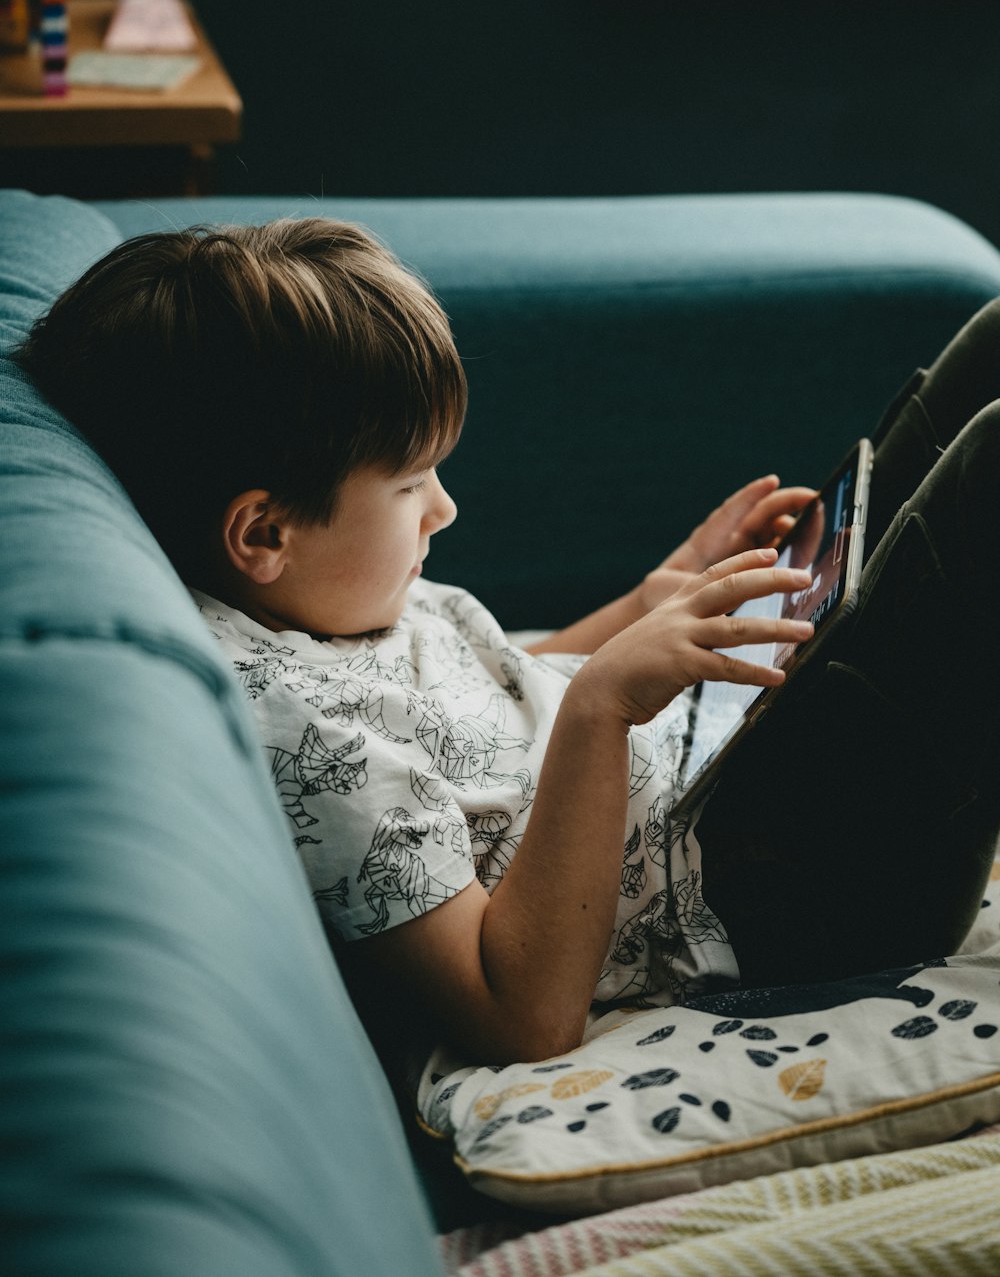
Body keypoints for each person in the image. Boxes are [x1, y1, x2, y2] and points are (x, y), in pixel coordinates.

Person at [15, 217, 1000, 1070]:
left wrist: (646, 601)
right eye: (410, 487)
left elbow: (490, 699)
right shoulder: (314, 748)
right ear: (262, 533)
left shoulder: (320, 596)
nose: (444, 507)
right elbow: (522, 1014)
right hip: (779, 892)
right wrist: (601, 706)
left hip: (723, 771)